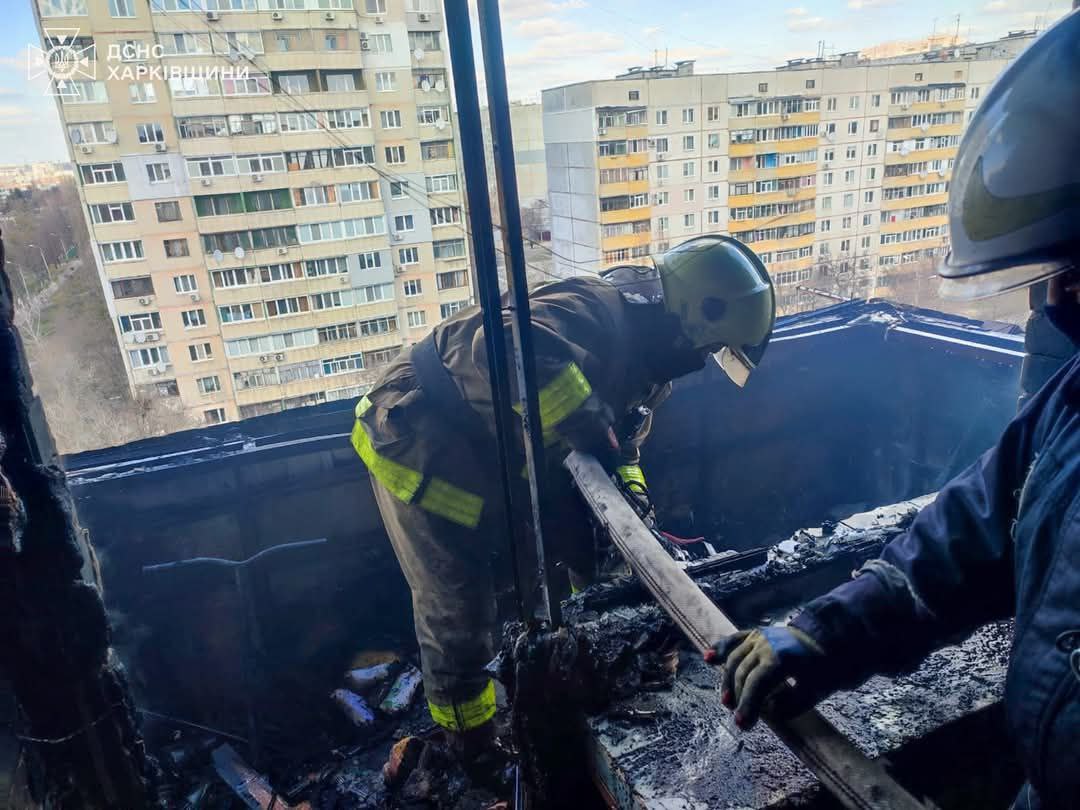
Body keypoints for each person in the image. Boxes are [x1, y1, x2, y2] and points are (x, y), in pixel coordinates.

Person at [711, 13, 1080, 810]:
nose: (1055, 301)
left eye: (1078, 271)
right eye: (1057, 270)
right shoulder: (1074, 402)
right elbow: (979, 530)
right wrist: (824, 632)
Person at [351, 236, 775, 760]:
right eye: (710, 346)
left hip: (493, 453)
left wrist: (635, 509)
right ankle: (473, 746)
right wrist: (584, 419)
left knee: (555, 572)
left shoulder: (652, 364)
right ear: (694, 313)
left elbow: (624, 450)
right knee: (460, 606)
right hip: (418, 444)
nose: (704, 360)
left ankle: (575, 677)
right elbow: (501, 345)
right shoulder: (596, 312)